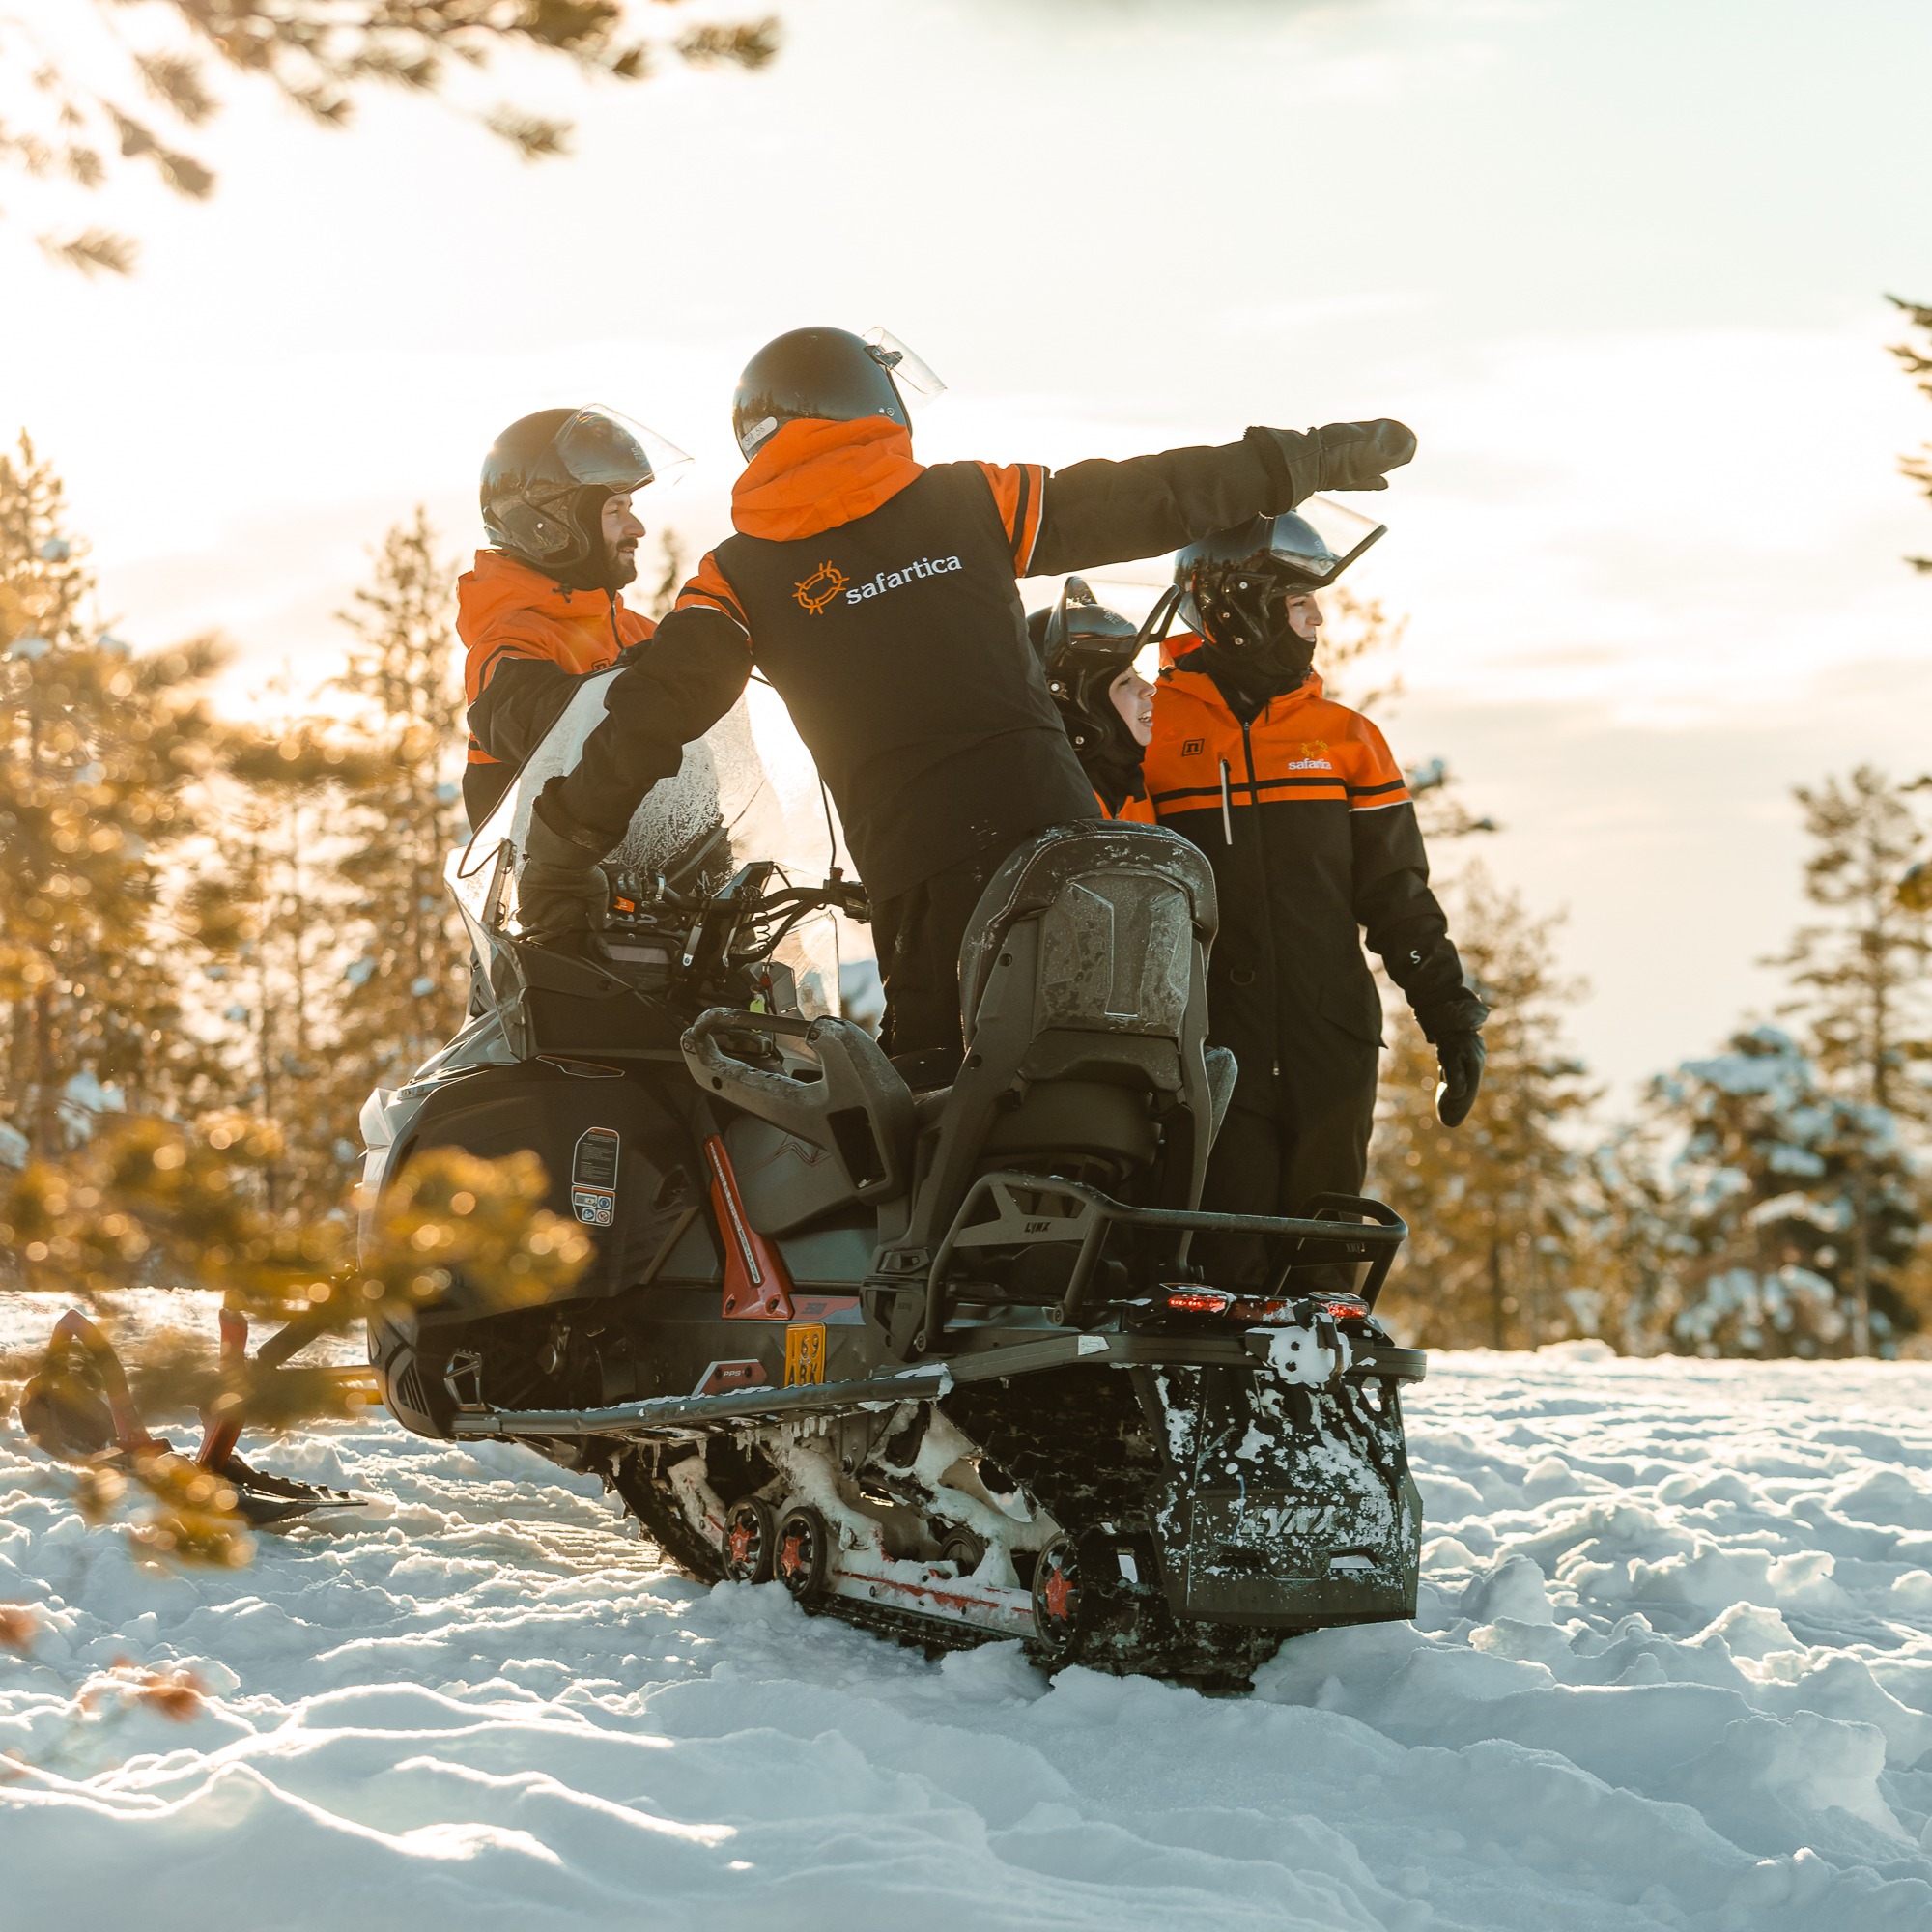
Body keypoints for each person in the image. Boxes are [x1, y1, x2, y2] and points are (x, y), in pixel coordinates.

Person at [516, 325, 1418, 1061]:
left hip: (922, 881)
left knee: (941, 1111)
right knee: (1118, 1065)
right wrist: (1302, 459)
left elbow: (649, 718)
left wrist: (562, 848)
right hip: (1064, 836)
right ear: (868, 405)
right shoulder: (969, 500)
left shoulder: (739, 576)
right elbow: (1152, 496)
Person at [1141, 510, 1487, 1271]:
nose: (1318, 622)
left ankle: (1320, 1390)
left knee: (1324, 1262)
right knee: (1221, 1261)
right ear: (1243, 608)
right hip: (1208, 1043)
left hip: (1329, 1039)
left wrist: (1451, 1018)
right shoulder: (1150, 738)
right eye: (1301, 604)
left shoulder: (1346, 738)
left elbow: (1398, 897)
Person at [459, 406, 678, 827]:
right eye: (615, 511)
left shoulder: (641, 631)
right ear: (550, 524)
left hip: (676, 880)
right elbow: (523, 718)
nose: (636, 527)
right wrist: (643, 685)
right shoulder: (509, 645)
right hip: (564, 883)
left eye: (628, 507)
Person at [1028, 577, 1155, 821]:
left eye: (1137, 674)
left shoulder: (1125, 786)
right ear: (1074, 704)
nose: (1149, 688)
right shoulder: (1050, 810)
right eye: (1125, 681)